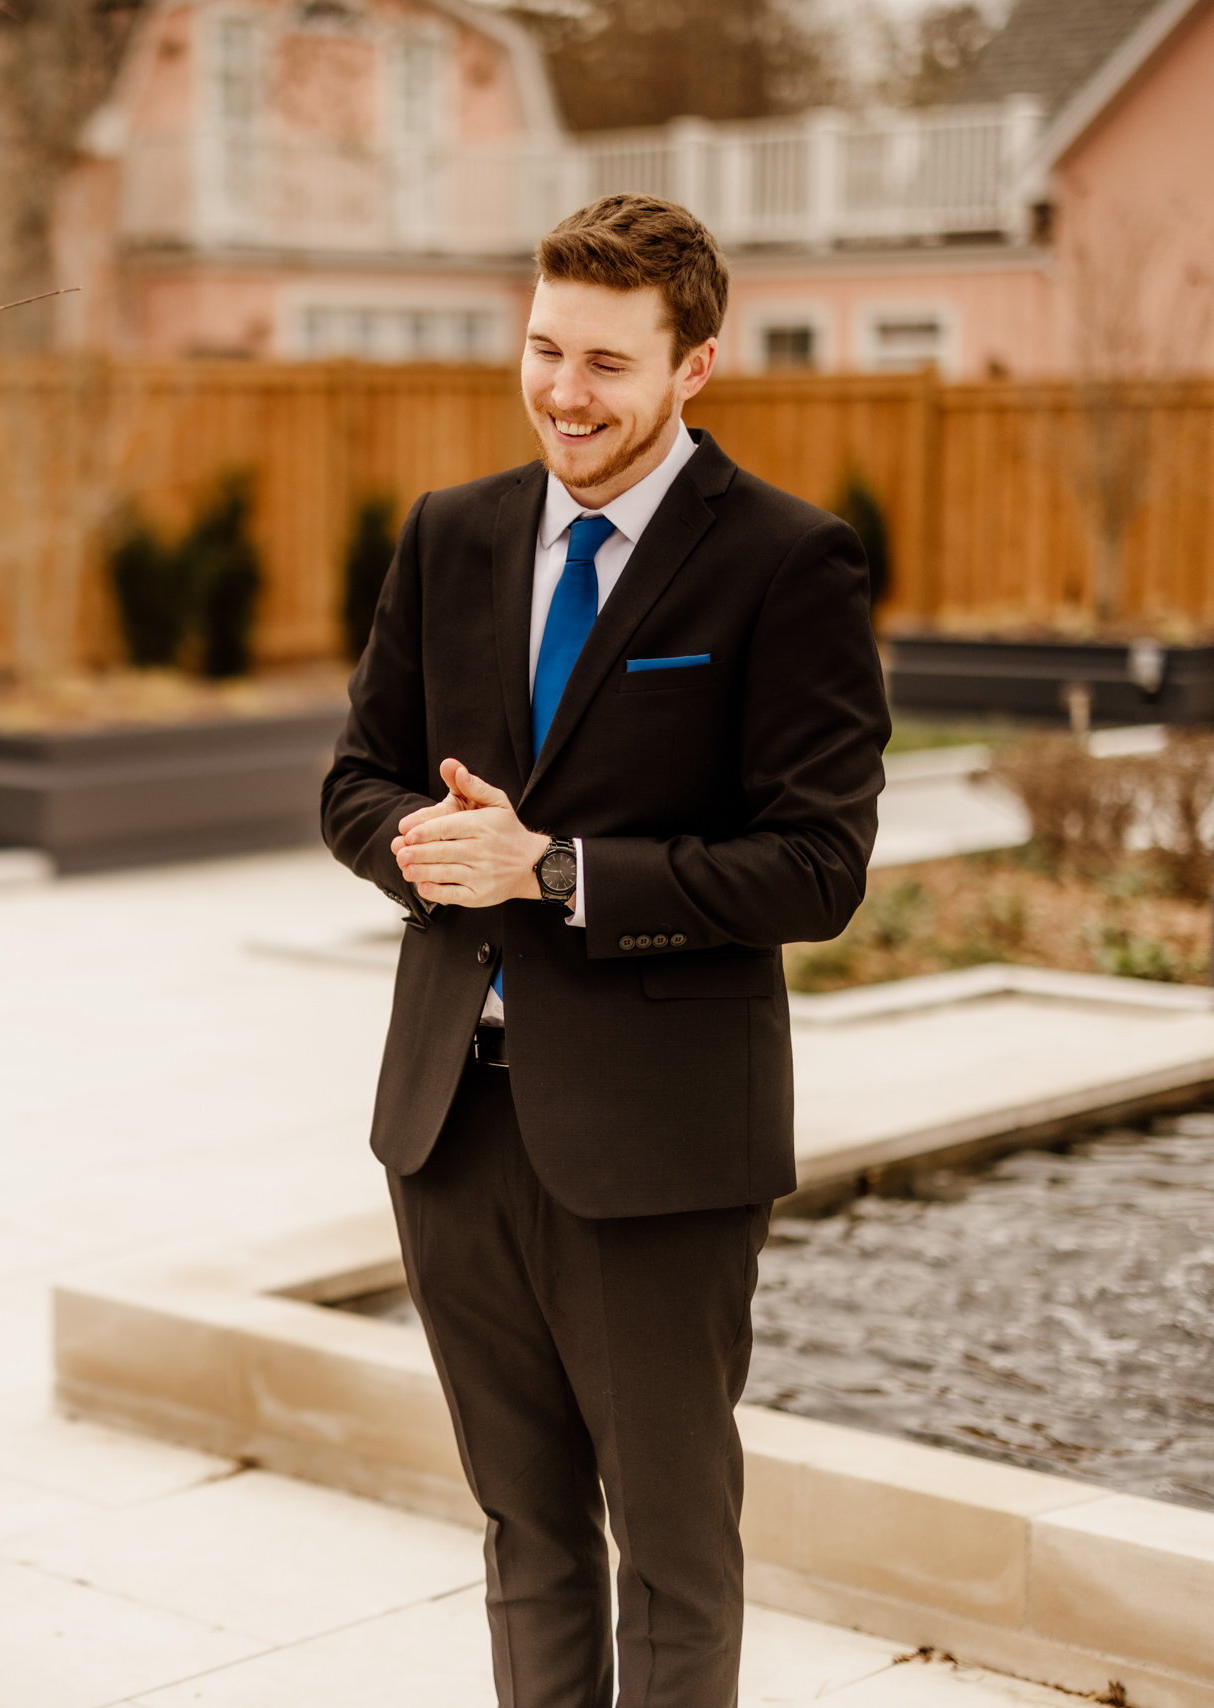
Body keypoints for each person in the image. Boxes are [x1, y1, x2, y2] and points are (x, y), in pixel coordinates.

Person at [321, 195, 888, 1708]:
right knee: (523, 1530)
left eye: (609, 364)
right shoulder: (452, 535)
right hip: (449, 1119)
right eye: (544, 347)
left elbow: (819, 865)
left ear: (695, 366)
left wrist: (553, 870)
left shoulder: (788, 562)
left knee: (676, 1552)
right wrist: (421, 849)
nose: (565, 392)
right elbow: (358, 780)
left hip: (660, 1140)